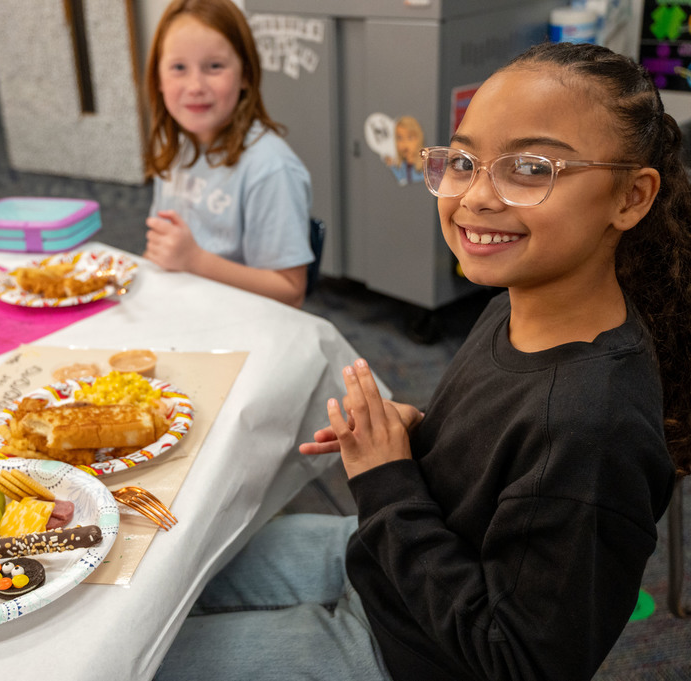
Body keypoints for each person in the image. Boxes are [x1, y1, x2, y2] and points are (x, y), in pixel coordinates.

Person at [155, 41, 690, 681]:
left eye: (529, 168)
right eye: (463, 161)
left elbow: (519, 660)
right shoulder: (514, 303)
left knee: (133, 661)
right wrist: (423, 436)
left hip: (409, 651)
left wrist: (386, 481)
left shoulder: (592, 430)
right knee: (163, 567)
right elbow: (499, 466)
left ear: (631, 197)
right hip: (388, 564)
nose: (476, 197)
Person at [143, 0, 314, 308]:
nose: (195, 85)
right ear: (158, 78)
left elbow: (290, 292)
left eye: (215, 67)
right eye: (179, 68)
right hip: (185, 308)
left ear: (245, 75)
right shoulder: (177, 150)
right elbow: (162, 250)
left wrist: (195, 260)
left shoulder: (270, 167)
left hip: (244, 324)